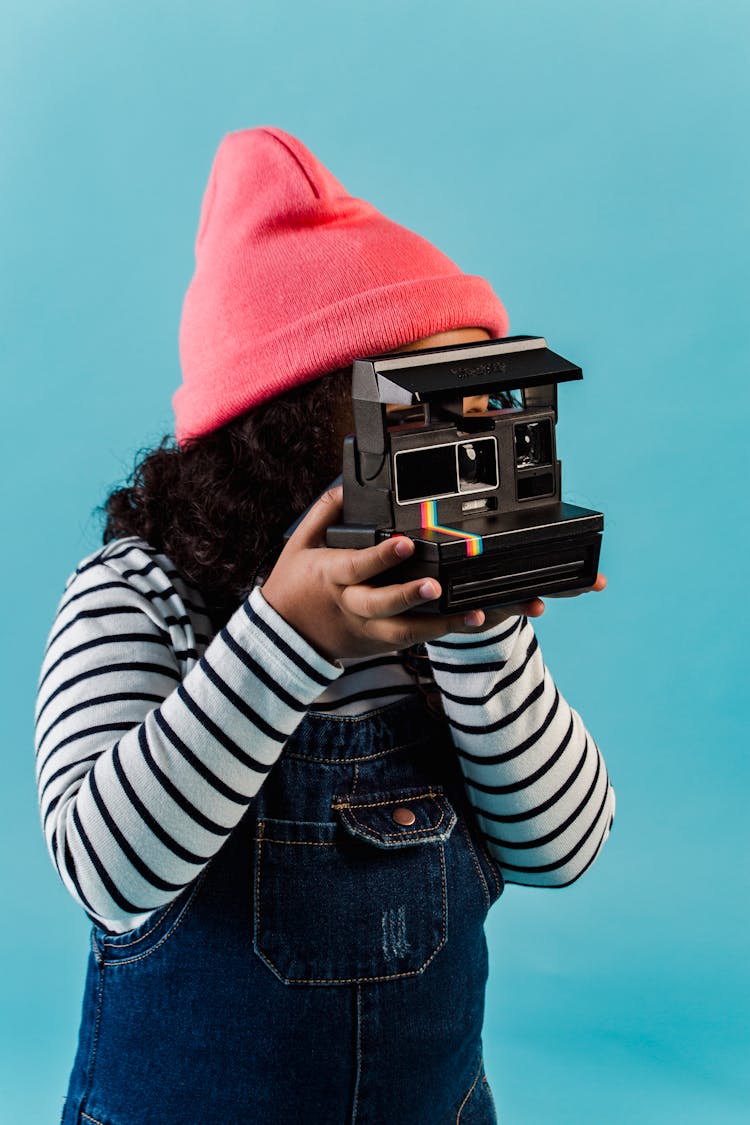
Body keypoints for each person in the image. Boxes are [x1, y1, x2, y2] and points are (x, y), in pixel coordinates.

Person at [35, 127, 614, 1125]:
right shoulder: (137, 596)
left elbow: (560, 848)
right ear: (296, 431)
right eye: (427, 413)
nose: (470, 451)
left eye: (484, 405)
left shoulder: (443, 617)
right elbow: (106, 872)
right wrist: (289, 640)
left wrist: (483, 640)